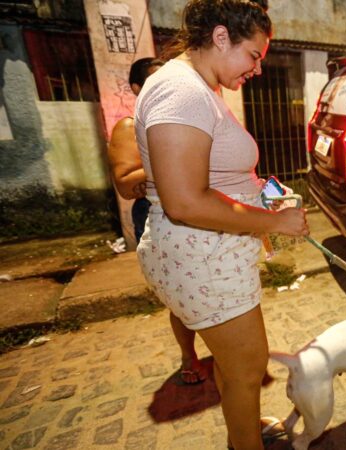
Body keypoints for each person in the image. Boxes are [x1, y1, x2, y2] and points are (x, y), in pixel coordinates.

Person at [134, 1, 309, 448]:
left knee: (238, 370)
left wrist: (259, 196)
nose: (257, 69)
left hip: (212, 255)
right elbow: (185, 201)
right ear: (219, 37)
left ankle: (243, 431)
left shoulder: (198, 87)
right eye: (253, 55)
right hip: (202, 257)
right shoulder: (182, 90)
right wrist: (274, 221)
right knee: (248, 367)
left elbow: (214, 176)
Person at [108, 58, 207, 387]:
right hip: (154, 214)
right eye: (155, 80)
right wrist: (175, 163)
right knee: (180, 294)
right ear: (137, 89)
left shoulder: (180, 119)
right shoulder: (127, 127)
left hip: (193, 210)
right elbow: (124, 184)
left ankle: (225, 349)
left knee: (206, 286)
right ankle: (188, 355)